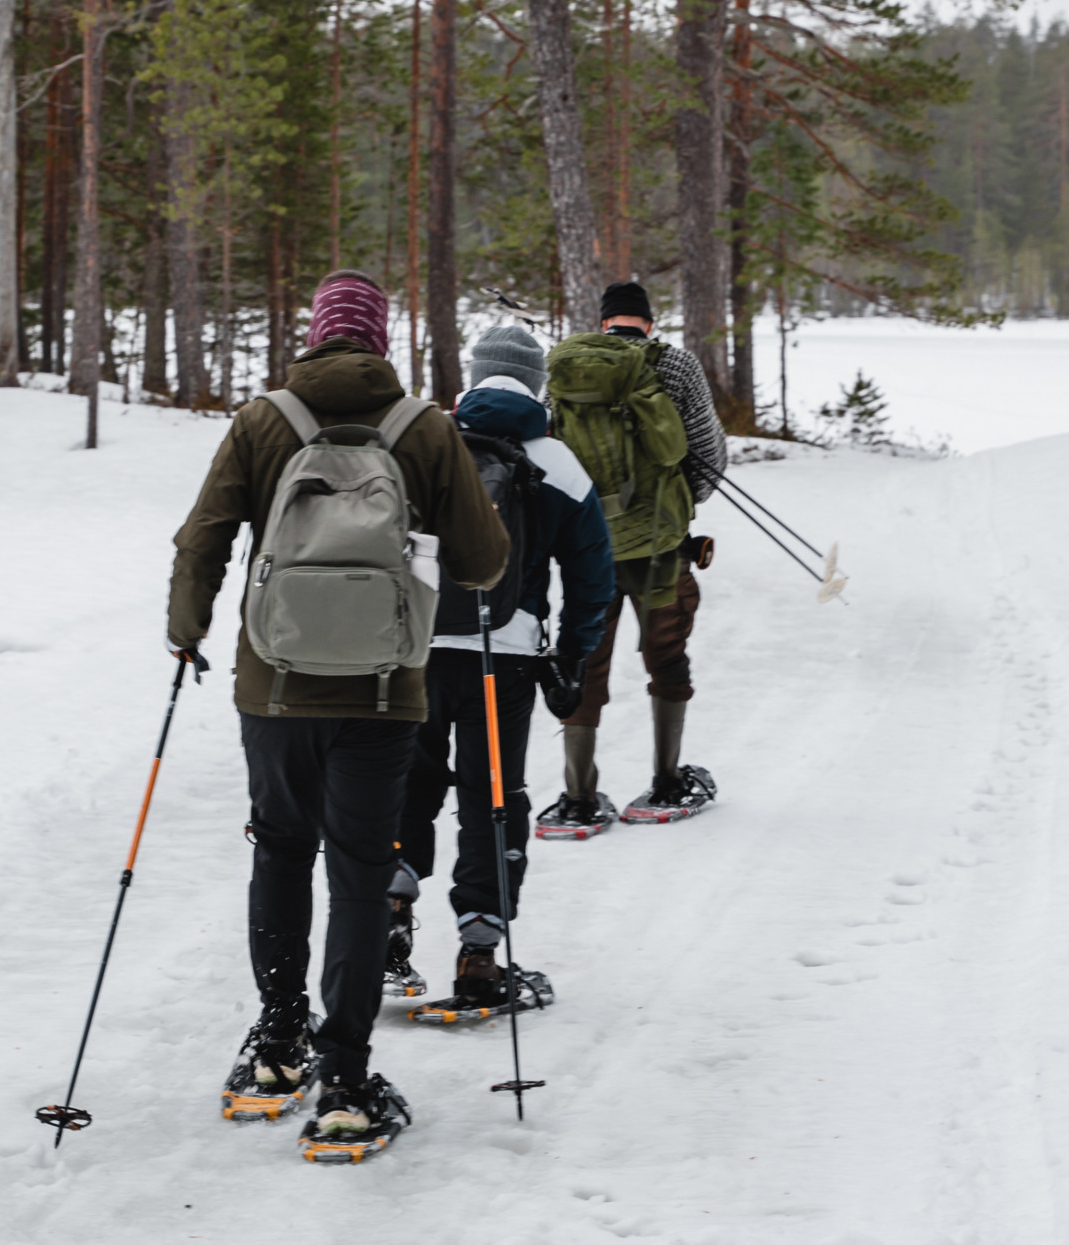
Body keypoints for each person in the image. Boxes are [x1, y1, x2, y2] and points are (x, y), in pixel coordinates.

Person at [167, 268, 509, 1158]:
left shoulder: (262, 420)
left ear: (314, 334)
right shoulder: (425, 427)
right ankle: (348, 1080)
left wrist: (186, 630)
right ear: (380, 342)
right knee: (361, 867)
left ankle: (279, 1045)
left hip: (273, 685)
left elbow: (205, 533)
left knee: (281, 846)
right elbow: (482, 562)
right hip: (386, 690)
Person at [392, 322, 614, 1006]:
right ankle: (480, 954)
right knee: (492, 797)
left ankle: (385, 923)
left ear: (475, 374)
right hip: (506, 655)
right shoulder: (558, 462)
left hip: (420, 647)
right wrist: (573, 656)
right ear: (537, 384)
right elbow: (593, 576)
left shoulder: (426, 445)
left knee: (410, 786)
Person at [536, 278, 728, 835]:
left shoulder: (565, 368)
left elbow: (550, 450)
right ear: (648, 320)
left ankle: (577, 797)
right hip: (662, 548)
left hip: (587, 547)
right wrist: (674, 506)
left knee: (584, 660)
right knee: (666, 655)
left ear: (603, 322)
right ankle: (667, 781)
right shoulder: (675, 366)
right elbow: (708, 454)